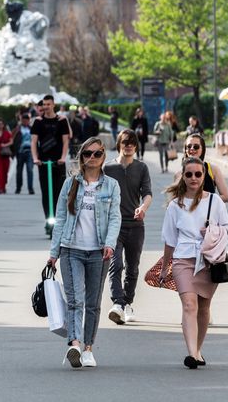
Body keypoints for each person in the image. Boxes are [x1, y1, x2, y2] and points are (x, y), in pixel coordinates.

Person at [47, 137, 122, 369]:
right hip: (72, 251)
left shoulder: (111, 186)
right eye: (87, 153)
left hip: (99, 252)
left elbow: (114, 217)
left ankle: (88, 349)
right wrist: (54, 252)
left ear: (103, 157)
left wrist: (110, 243)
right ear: (82, 156)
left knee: (92, 303)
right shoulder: (71, 184)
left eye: (97, 153)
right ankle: (75, 345)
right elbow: (60, 218)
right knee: (75, 300)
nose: (92, 157)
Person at [160, 156, 228, 369]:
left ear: (204, 176)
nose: (193, 178)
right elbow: (169, 239)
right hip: (183, 258)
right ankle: (191, 353)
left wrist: (212, 231)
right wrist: (165, 267)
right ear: (183, 176)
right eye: (189, 174)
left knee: (203, 306)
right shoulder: (175, 205)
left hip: (209, 260)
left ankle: (198, 349)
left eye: (198, 174)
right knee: (189, 304)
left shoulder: (214, 201)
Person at [104, 130, 152, 325]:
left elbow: (147, 193)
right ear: (119, 144)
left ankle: (127, 303)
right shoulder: (108, 168)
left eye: (132, 142)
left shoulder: (141, 168)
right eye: (125, 142)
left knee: (132, 268)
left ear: (136, 146)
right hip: (114, 225)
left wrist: (143, 207)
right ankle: (117, 303)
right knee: (116, 264)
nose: (129, 145)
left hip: (135, 225)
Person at [31, 94, 71, 235]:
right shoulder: (38, 122)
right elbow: (34, 142)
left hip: (58, 162)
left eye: (49, 104)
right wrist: (35, 158)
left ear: (53, 104)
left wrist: (63, 157)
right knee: (46, 193)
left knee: (59, 193)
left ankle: (58, 222)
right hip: (43, 163)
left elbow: (66, 141)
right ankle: (48, 220)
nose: (46, 107)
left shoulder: (61, 120)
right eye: (44, 104)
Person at [180, 133, 228, 202]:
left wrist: (204, 201)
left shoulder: (213, 169)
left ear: (202, 149)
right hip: (188, 211)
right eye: (189, 146)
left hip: (209, 212)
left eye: (196, 146)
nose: (192, 149)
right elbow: (176, 198)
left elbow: (225, 197)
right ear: (185, 150)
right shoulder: (180, 173)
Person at [12, 113, 35, 195]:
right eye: (23, 120)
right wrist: (13, 152)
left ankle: (30, 188)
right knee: (19, 171)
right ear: (21, 120)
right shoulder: (17, 129)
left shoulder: (32, 128)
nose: (25, 122)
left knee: (30, 170)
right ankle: (18, 188)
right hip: (20, 152)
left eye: (27, 120)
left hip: (30, 152)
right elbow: (12, 140)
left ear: (29, 121)